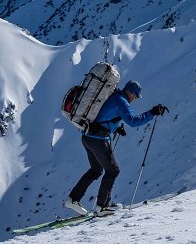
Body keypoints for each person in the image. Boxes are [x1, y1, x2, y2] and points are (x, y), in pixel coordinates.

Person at [64, 80, 168, 217]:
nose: (135, 99)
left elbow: (104, 115)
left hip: (87, 137)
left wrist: (116, 127)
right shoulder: (121, 101)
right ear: (130, 93)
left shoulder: (113, 96)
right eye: (136, 96)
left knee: (96, 170)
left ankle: (73, 199)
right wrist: (152, 112)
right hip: (98, 140)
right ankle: (102, 206)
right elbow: (133, 121)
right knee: (113, 170)